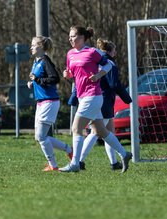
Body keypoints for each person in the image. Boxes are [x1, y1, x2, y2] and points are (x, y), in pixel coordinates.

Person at [60, 26, 132, 173]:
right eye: (69, 36)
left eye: (73, 36)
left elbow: (109, 64)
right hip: (82, 96)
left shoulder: (92, 52)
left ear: (82, 37)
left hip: (93, 95)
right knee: (101, 131)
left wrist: (99, 75)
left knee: (76, 128)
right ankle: (125, 154)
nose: (70, 39)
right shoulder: (70, 54)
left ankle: (75, 163)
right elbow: (72, 73)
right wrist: (67, 75)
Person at [28, 36, 73, 172]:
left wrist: (37, 79)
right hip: (41, 103)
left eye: (34, 45)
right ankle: (69, 150)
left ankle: (53, 165)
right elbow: (40, 80)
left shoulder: (45, 61)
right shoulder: (36, 62)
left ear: (41, 47)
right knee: (39, 137)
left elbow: (55, 78)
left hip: (50, 101)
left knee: (41, 137)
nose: (31, 47)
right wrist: (32, 83)